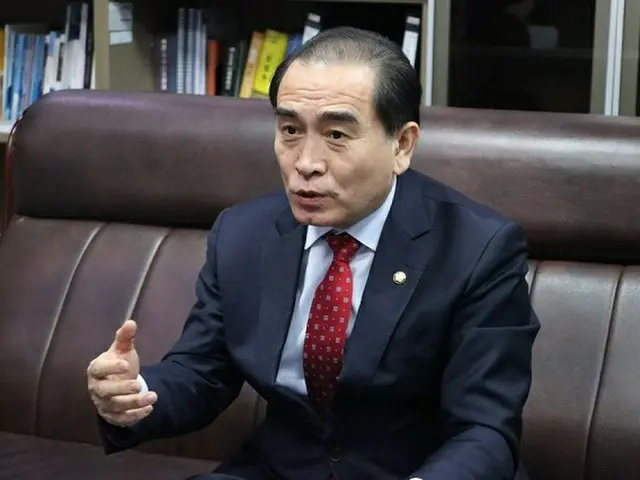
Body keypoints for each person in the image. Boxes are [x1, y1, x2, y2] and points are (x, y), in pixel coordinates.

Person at [87, 26, 540, 480]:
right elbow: (203, 372)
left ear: (402, 145)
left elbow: (483, 430)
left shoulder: (476, 248)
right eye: (290, 131)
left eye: (337, 135)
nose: (305, 163)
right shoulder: (243, 233)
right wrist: (133, 393)